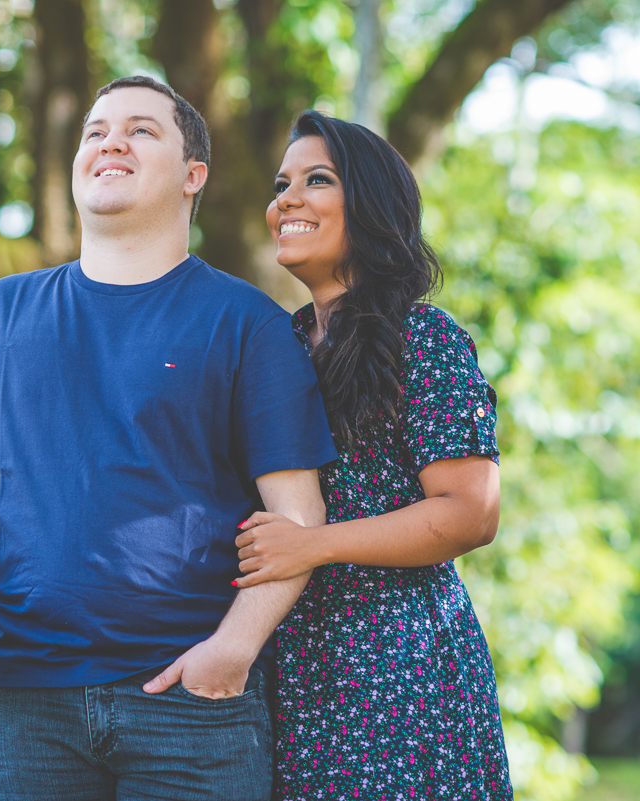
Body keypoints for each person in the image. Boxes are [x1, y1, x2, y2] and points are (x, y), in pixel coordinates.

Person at [0, 77, 337, 801]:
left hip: (193, 706)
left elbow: (299, 515)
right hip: (24, 701)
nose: (109, 141)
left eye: (141, 130)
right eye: (95, 131)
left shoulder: (248, 323)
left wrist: (234, 647)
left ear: (194, 176)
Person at [237, 109, 512, 800]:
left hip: (402, 672)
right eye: (281, 185)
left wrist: (315, 544)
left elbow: (471, 512)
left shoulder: (424, 339)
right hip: (298, 670)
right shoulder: (281, 344)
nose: (286, 200)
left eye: (316, 180)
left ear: (370, 206)